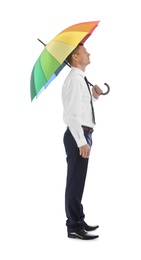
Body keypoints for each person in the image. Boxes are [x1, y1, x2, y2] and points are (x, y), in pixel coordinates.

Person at [62, 43, 102, 240]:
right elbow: (71, 115)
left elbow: (82, 109)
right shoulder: (74, 80)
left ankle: (78, 219)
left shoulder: (80, 79)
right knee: (75, 182)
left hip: (83, 134)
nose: (89, 53)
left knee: (79, 181)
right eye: (85, 51)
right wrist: (80, 141)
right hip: (78, 135)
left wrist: (93, 96)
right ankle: (73, 226)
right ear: (75, 58)